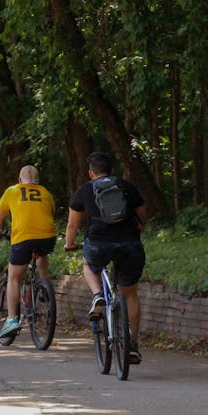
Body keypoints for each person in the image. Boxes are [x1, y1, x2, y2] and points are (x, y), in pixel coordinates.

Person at [64, 151, 147, 363]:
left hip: (99, 243)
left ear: (90, 173)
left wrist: (69, 244)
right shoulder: (126, 186)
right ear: (112, 170)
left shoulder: (84, 189)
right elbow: (142, 214)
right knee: (130, 294)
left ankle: (97, 295)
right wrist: (138, 229)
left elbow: (73, 224)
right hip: (129, 243)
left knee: (88, 264)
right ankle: (132, 346)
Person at [0, 165, 57, 338]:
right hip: (47, 237)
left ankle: (12, 320)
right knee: (42, 253)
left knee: (14, 277)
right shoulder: (46, 193)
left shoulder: (12, 191)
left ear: (20, 181)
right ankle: (43, 283)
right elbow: (50, 213)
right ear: (37, 181)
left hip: (23, 238)